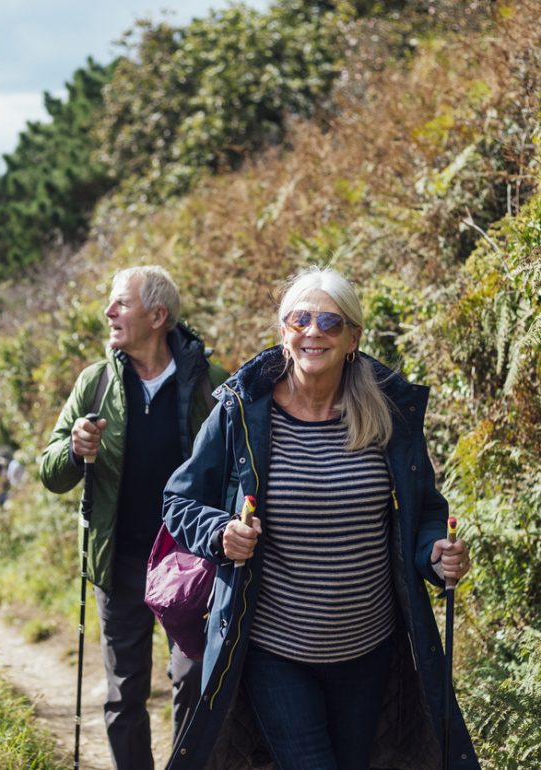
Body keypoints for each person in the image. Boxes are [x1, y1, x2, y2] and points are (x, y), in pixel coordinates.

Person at [162, 266, 480, 770]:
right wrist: (221, 533)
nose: (313, 332)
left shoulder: (387, 415)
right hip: (274, 647)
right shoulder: (241, 410)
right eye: (300, 319)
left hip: (368, 647)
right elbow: (178, 500)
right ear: (283, 332)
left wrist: (434, 552)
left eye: (330, 322)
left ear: (354, 337)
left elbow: (425, 512)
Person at [40, 265, 228, 770]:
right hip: (119, 563)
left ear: (157, 316)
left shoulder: (212, 385)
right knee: (124, 694)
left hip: (189, 566)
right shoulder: (95, 383)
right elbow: (50, 472)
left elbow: (238, 471)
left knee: (193, 678)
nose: (109, 312)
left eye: (121, 303)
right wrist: (75, 452)